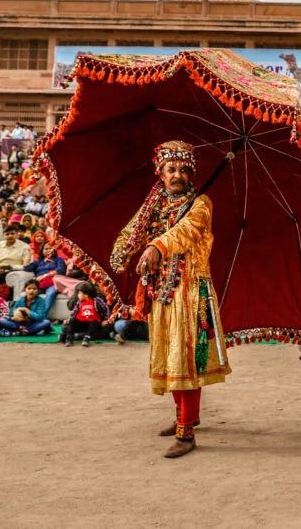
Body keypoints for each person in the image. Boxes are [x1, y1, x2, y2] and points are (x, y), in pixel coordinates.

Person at [110, 141, 229, 458]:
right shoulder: (154, 204)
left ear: (191, 174)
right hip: (161, 290)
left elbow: (186, 231)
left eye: (183, 169)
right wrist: (122, 251)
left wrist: (156, 248)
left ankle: (186, 433)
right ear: (160, 173)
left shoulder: (201, 204)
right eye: (171, 169)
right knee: (169, 354)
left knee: (187, 359)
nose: (177, 174)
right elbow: (132, 230)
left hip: (192, 291)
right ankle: (185, 416)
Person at [60, 281, 110, 347]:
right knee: (67, 325)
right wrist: (69, 319)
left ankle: (86, 337)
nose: (77, 295)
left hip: (93, 323)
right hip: (82, 322)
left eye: (79, 293)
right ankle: (69, 338)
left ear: (86, 294)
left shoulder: (97, 300)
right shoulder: (79, 302)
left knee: (103, 326)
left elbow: (106, 309)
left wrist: (106, 319)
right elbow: (74, 311)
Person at [23, 242, 66, 318]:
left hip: (53, 283)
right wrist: (29, 254)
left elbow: (60, 270)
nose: (48, 250)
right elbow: (26, 268)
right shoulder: (38, 261)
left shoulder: (58, 259)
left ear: (54, 250)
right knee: (30, 293)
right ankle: (26, 315)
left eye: (50, 248)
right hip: (40, 284)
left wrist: (44, 276)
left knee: (51, 293)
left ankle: (41, 317)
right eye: (46, 249)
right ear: (42, 251)